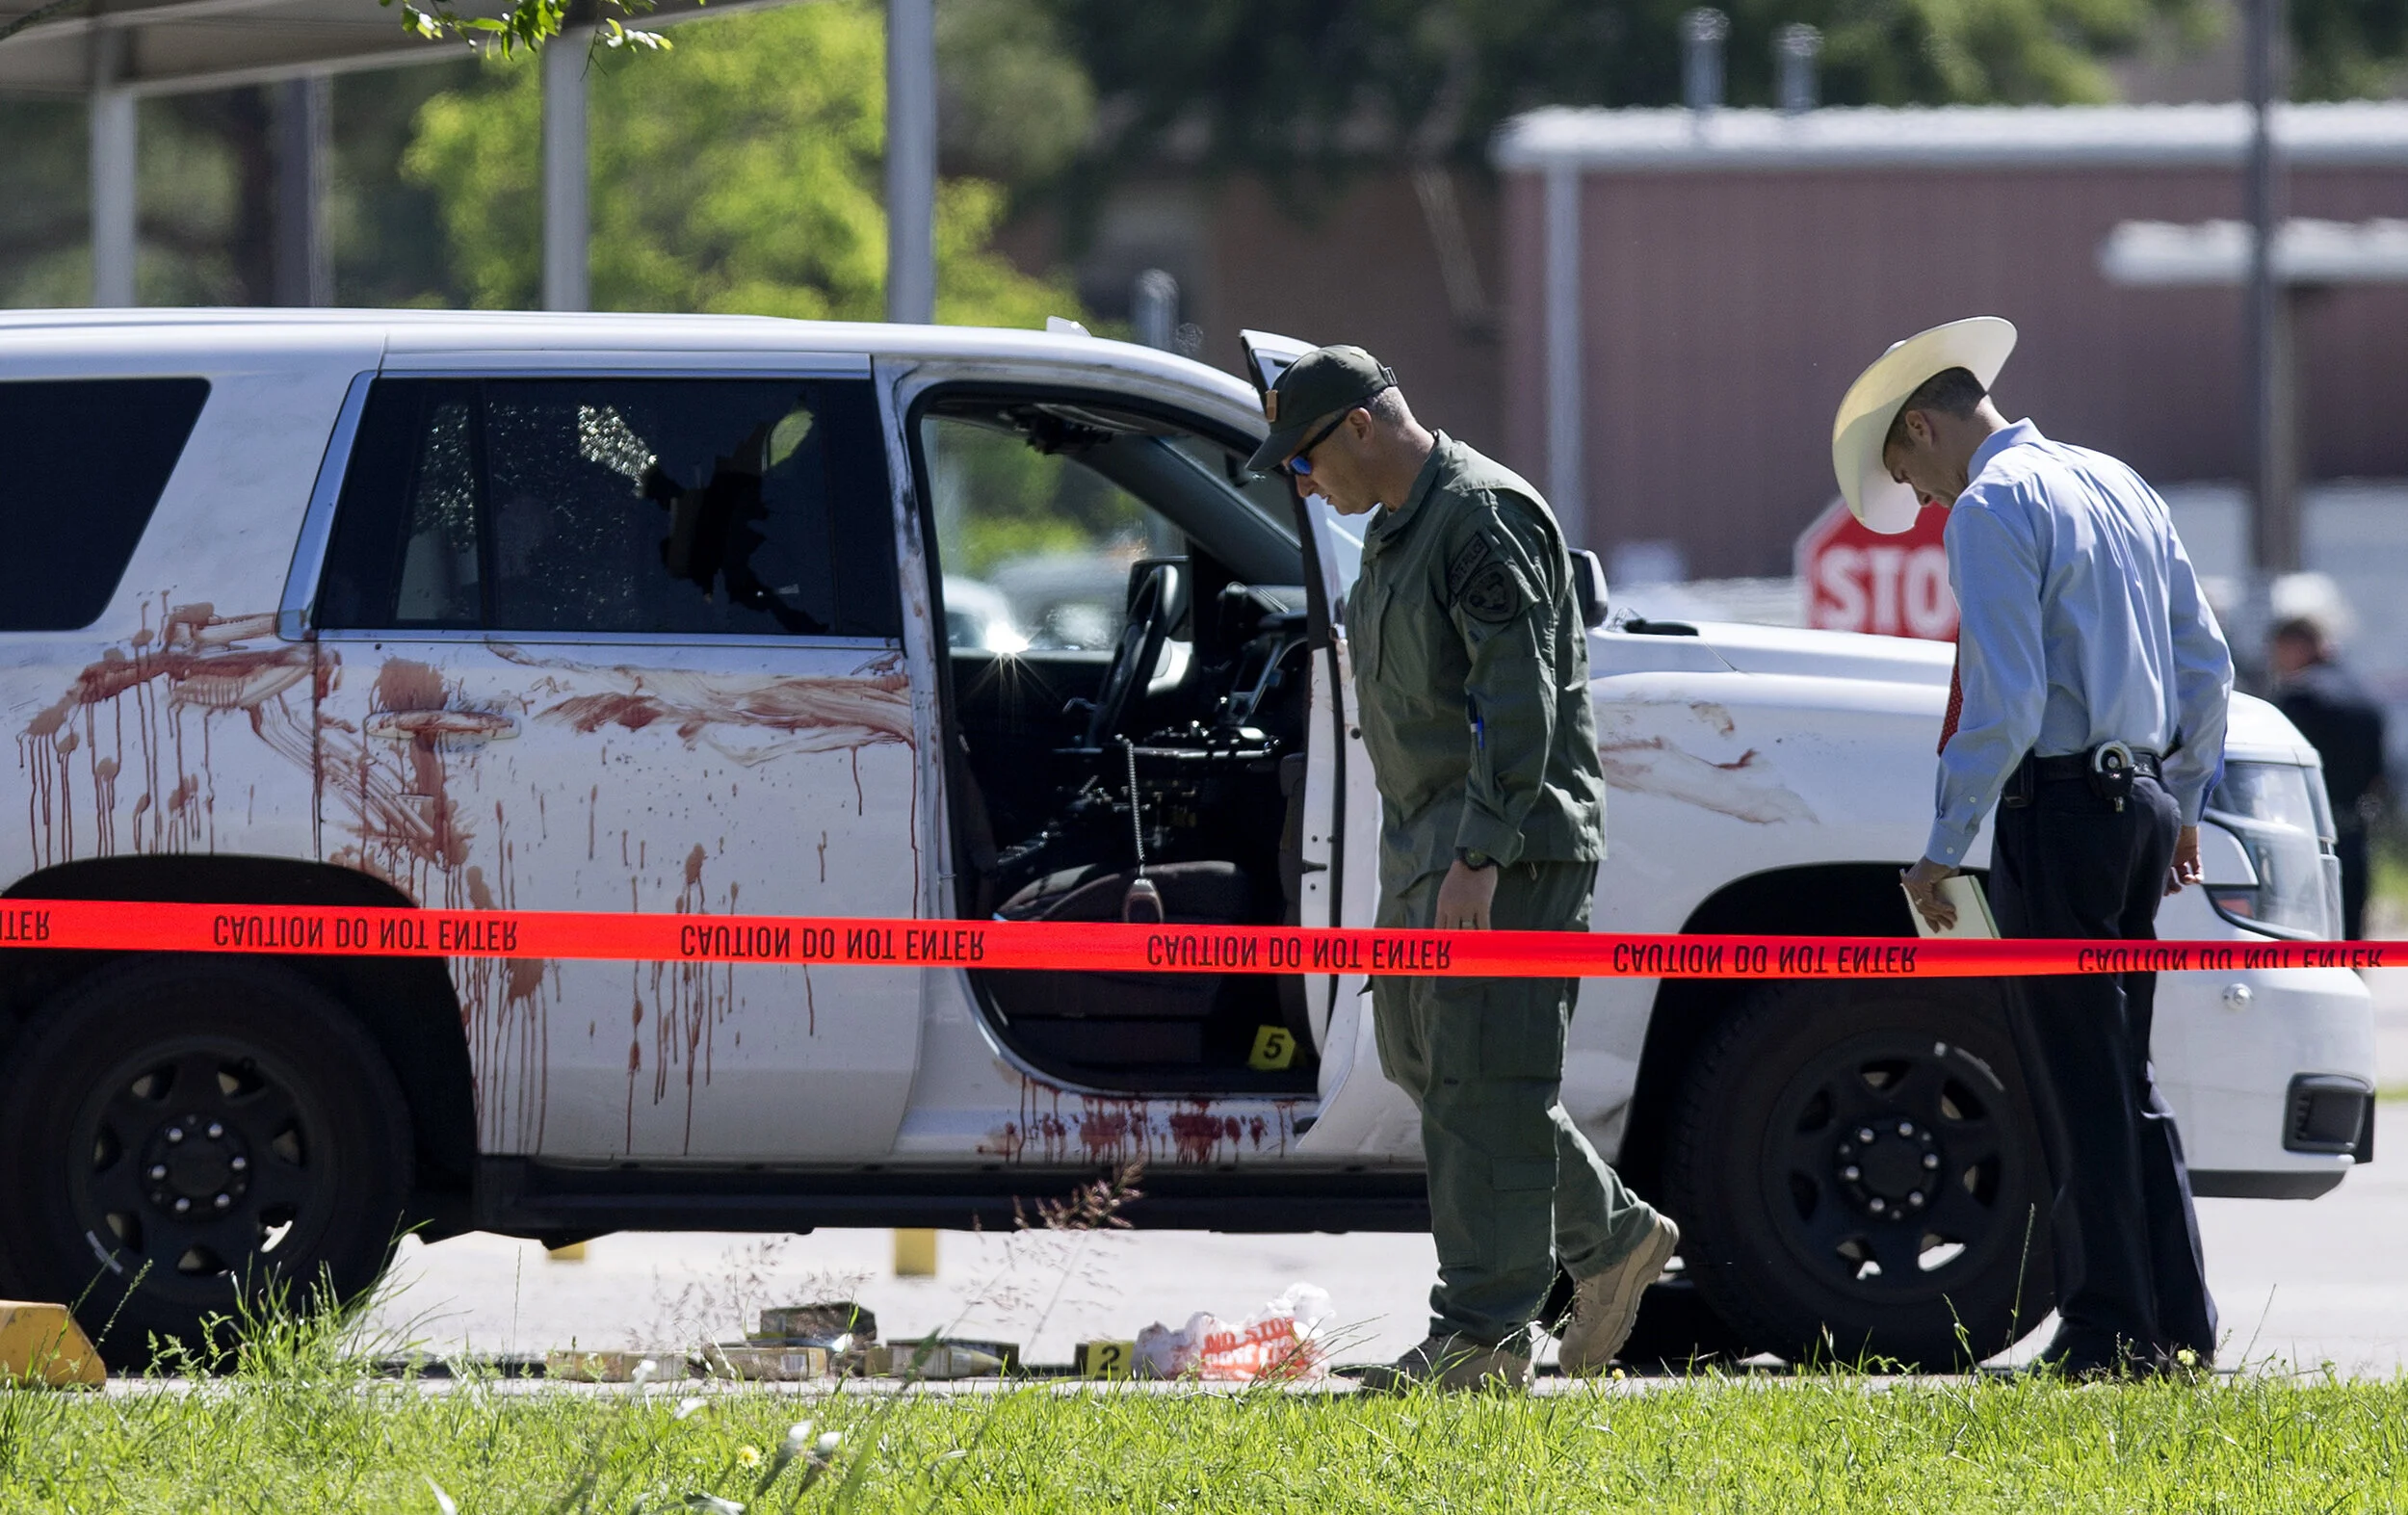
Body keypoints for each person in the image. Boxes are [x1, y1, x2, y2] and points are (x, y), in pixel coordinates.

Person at [1246, 345, 1678, 1391]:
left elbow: (1516, 703)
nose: (1304, 485)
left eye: (1303, 462)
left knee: (1486, 1078)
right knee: (1435, 1068)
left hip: (1505, 843)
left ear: (1357, 424)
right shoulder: (1396, 530)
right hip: (1428, 844)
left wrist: (1480, 855)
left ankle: (1481, 1336)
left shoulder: (1479, 515)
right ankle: (1612, 1237)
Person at [1847, 317, 2234, 1378]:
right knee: (2122, 1071)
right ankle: (2173, 1317)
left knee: (2076, 1080)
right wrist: (2185, 798)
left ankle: (2110, 1330)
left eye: (1907, 474)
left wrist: (1939, 846)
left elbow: (2007, 701)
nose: (1921, 500)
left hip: (2055, 811)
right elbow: (2207, 662)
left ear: (1922, 425)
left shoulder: (1990, 506)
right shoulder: (2116, 482)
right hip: (2139, 802)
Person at [2268, 615, 2387, 938]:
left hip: (2302, 835)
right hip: (2354, 830)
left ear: (2296, 646)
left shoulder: (2299, 698)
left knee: (2305, 938)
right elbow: (2378, 775)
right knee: (2350, 934)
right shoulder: (2365, 697)